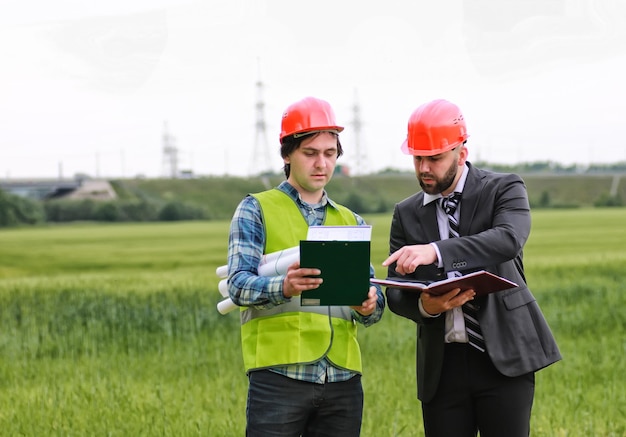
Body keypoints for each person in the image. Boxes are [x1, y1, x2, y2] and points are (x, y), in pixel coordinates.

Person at [382, 99, 561, 437]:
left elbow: (508, 239)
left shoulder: (504, 188)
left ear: (461, 153)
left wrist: (435, 251)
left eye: (434, 158)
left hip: (504, 359)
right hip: (442, 366)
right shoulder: (406, 212)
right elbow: (396, 292)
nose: (423, 168)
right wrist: (425, 307)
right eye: (417, 158)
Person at [227, 96, 385, 437]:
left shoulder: (350, 220)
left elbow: (374, 307)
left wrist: (370, 304)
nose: (321, 164)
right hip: (278, 377)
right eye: (310, 153)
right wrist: (283, 286)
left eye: (329, 154)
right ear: (287, 154)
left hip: (342, 379)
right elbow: (238, 285)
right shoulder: (256, 209)